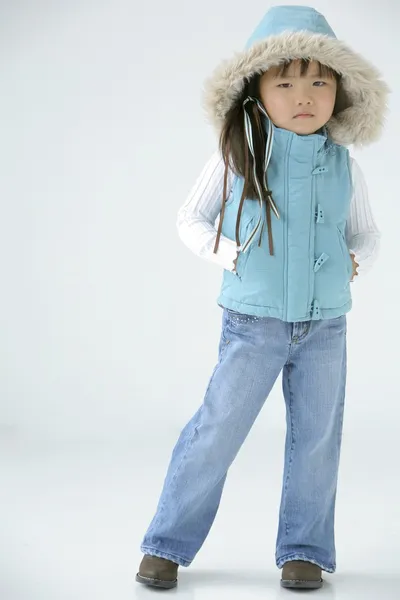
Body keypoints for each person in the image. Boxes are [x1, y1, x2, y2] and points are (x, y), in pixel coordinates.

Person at [136, 5, 388, 590]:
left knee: (318, 440)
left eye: (319, 81)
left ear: (339, 90)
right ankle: (166, 543)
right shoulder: (238, 157)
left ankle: (304, 550)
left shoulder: (344, 166)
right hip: (254, 323)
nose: (305, 96)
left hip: (325, 326)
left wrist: (358, 261)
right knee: (217, 428)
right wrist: (228, 252)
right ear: (257, 88)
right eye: (286, 82)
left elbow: (367, 232)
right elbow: (189, 218)